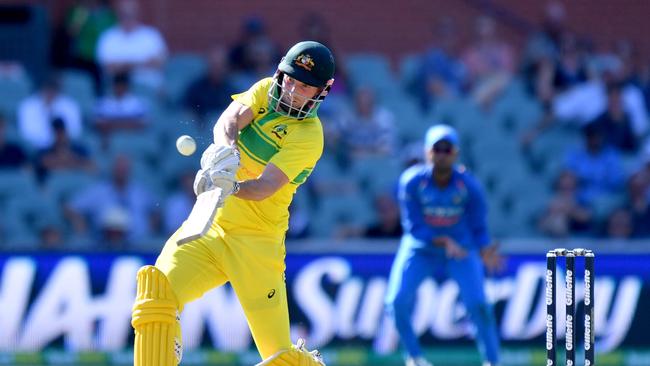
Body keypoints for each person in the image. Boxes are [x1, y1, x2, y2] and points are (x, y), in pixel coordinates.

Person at [130, 41, 334, 366]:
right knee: (156, 296)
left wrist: (230, 184)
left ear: (323, 91)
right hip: (210, 229)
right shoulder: (266, 90)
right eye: (291, 80)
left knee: (280, 358)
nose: (293, 91)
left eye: (305, 87)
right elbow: (228, 121)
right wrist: (222, 156)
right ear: (280, 72)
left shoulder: (309, 135)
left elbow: (266, 186)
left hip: (257, 244)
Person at [385, 125, 502, 366]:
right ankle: (415, 358)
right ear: (427, 152)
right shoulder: (411, 182)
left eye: (447, 149)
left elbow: (478, 227)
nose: (442, 154)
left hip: (460, 250)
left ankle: (492, 361)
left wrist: (485, 248)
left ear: (456, 153)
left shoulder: (469, 186)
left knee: (479, 304)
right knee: (396, 302)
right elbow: (414, 227)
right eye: (437, 149)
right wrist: (444, 240)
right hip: (420, 249)